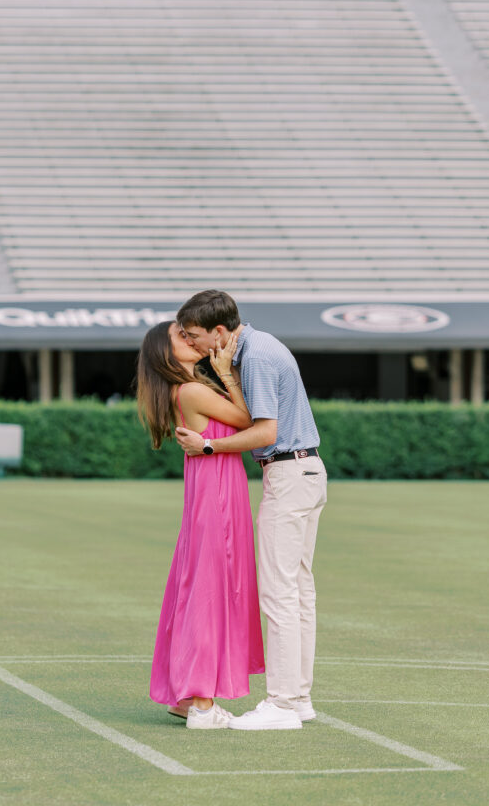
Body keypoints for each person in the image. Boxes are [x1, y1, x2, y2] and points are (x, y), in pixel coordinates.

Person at [176, 290, 327, 732]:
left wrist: (208, 445)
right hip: (304, 472)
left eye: (196, 335)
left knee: (280, 591)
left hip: (288, 472)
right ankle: (296, 698)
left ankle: (282, 703)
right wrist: (227, 378)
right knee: (298, 591)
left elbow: (264, 431)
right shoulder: (258, 347)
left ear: (219, 331)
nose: (195, 344)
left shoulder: (256, 355)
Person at [137, 320, 265, 731]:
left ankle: (187, 697)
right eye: (181, 336)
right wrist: (227, 371)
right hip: (217, 496)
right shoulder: (192, 390)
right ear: (167, 352)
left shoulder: (189, 389)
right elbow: (250, 419)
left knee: (198, 586)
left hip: (211, 491)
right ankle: (204, 704)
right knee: (210, 589)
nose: (190, 339)